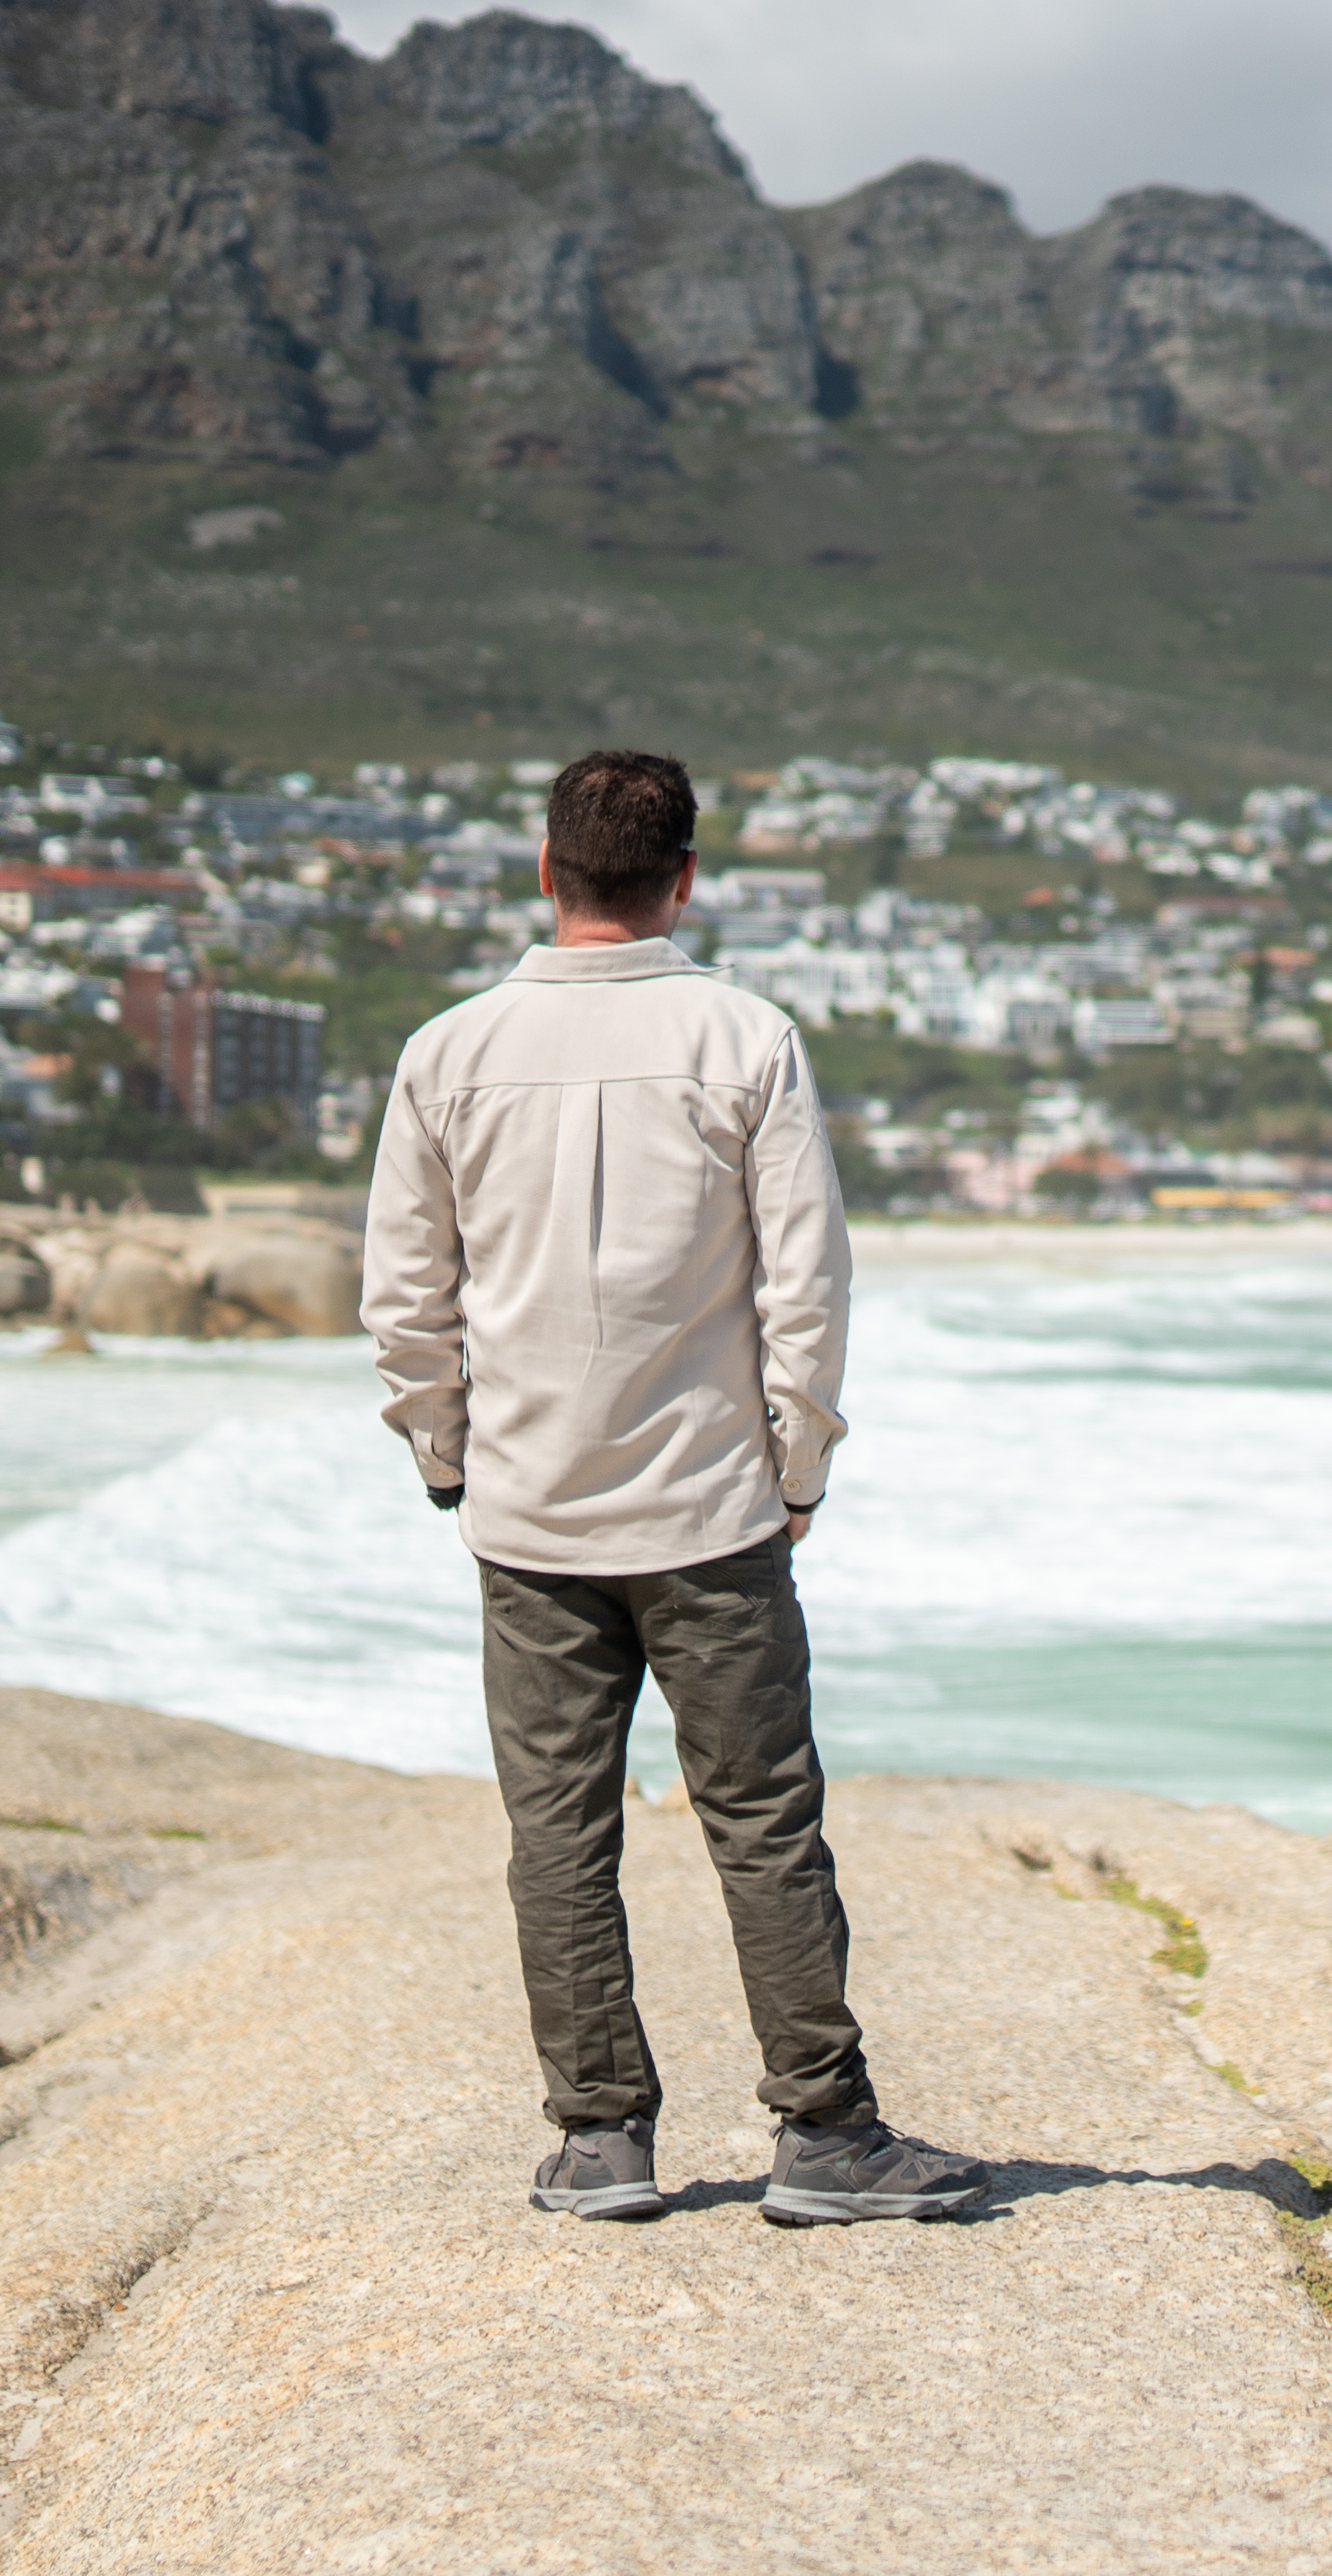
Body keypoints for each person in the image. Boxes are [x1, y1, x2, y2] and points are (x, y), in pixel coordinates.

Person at [360, 747, 987, 2228]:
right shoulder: (746, 1036)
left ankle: (599, 2138)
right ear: (685, 876)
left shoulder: (447, 1051)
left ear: (547, 869)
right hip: (713, 1512)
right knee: (763, 1815)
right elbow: (807, 1279)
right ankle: (824, 2135)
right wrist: (800, 1462)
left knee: (558, 1827)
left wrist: (448, 1454)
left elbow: (405, 1297)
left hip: (528, 1516)